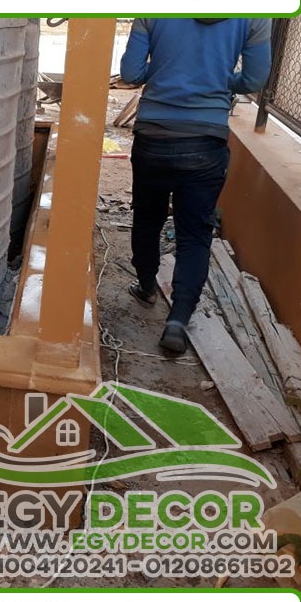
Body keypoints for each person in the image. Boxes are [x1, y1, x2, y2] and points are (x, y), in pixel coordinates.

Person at [120, 18, 272, 354]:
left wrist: (164, 72)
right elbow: (254, 79)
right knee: (195, 233)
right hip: (206, 139)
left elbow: (130, 73)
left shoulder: (154, 1)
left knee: (147, 219)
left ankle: (146, 286)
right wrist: (220, 79)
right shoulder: (254, 11)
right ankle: (178, 319)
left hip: (153, 136)